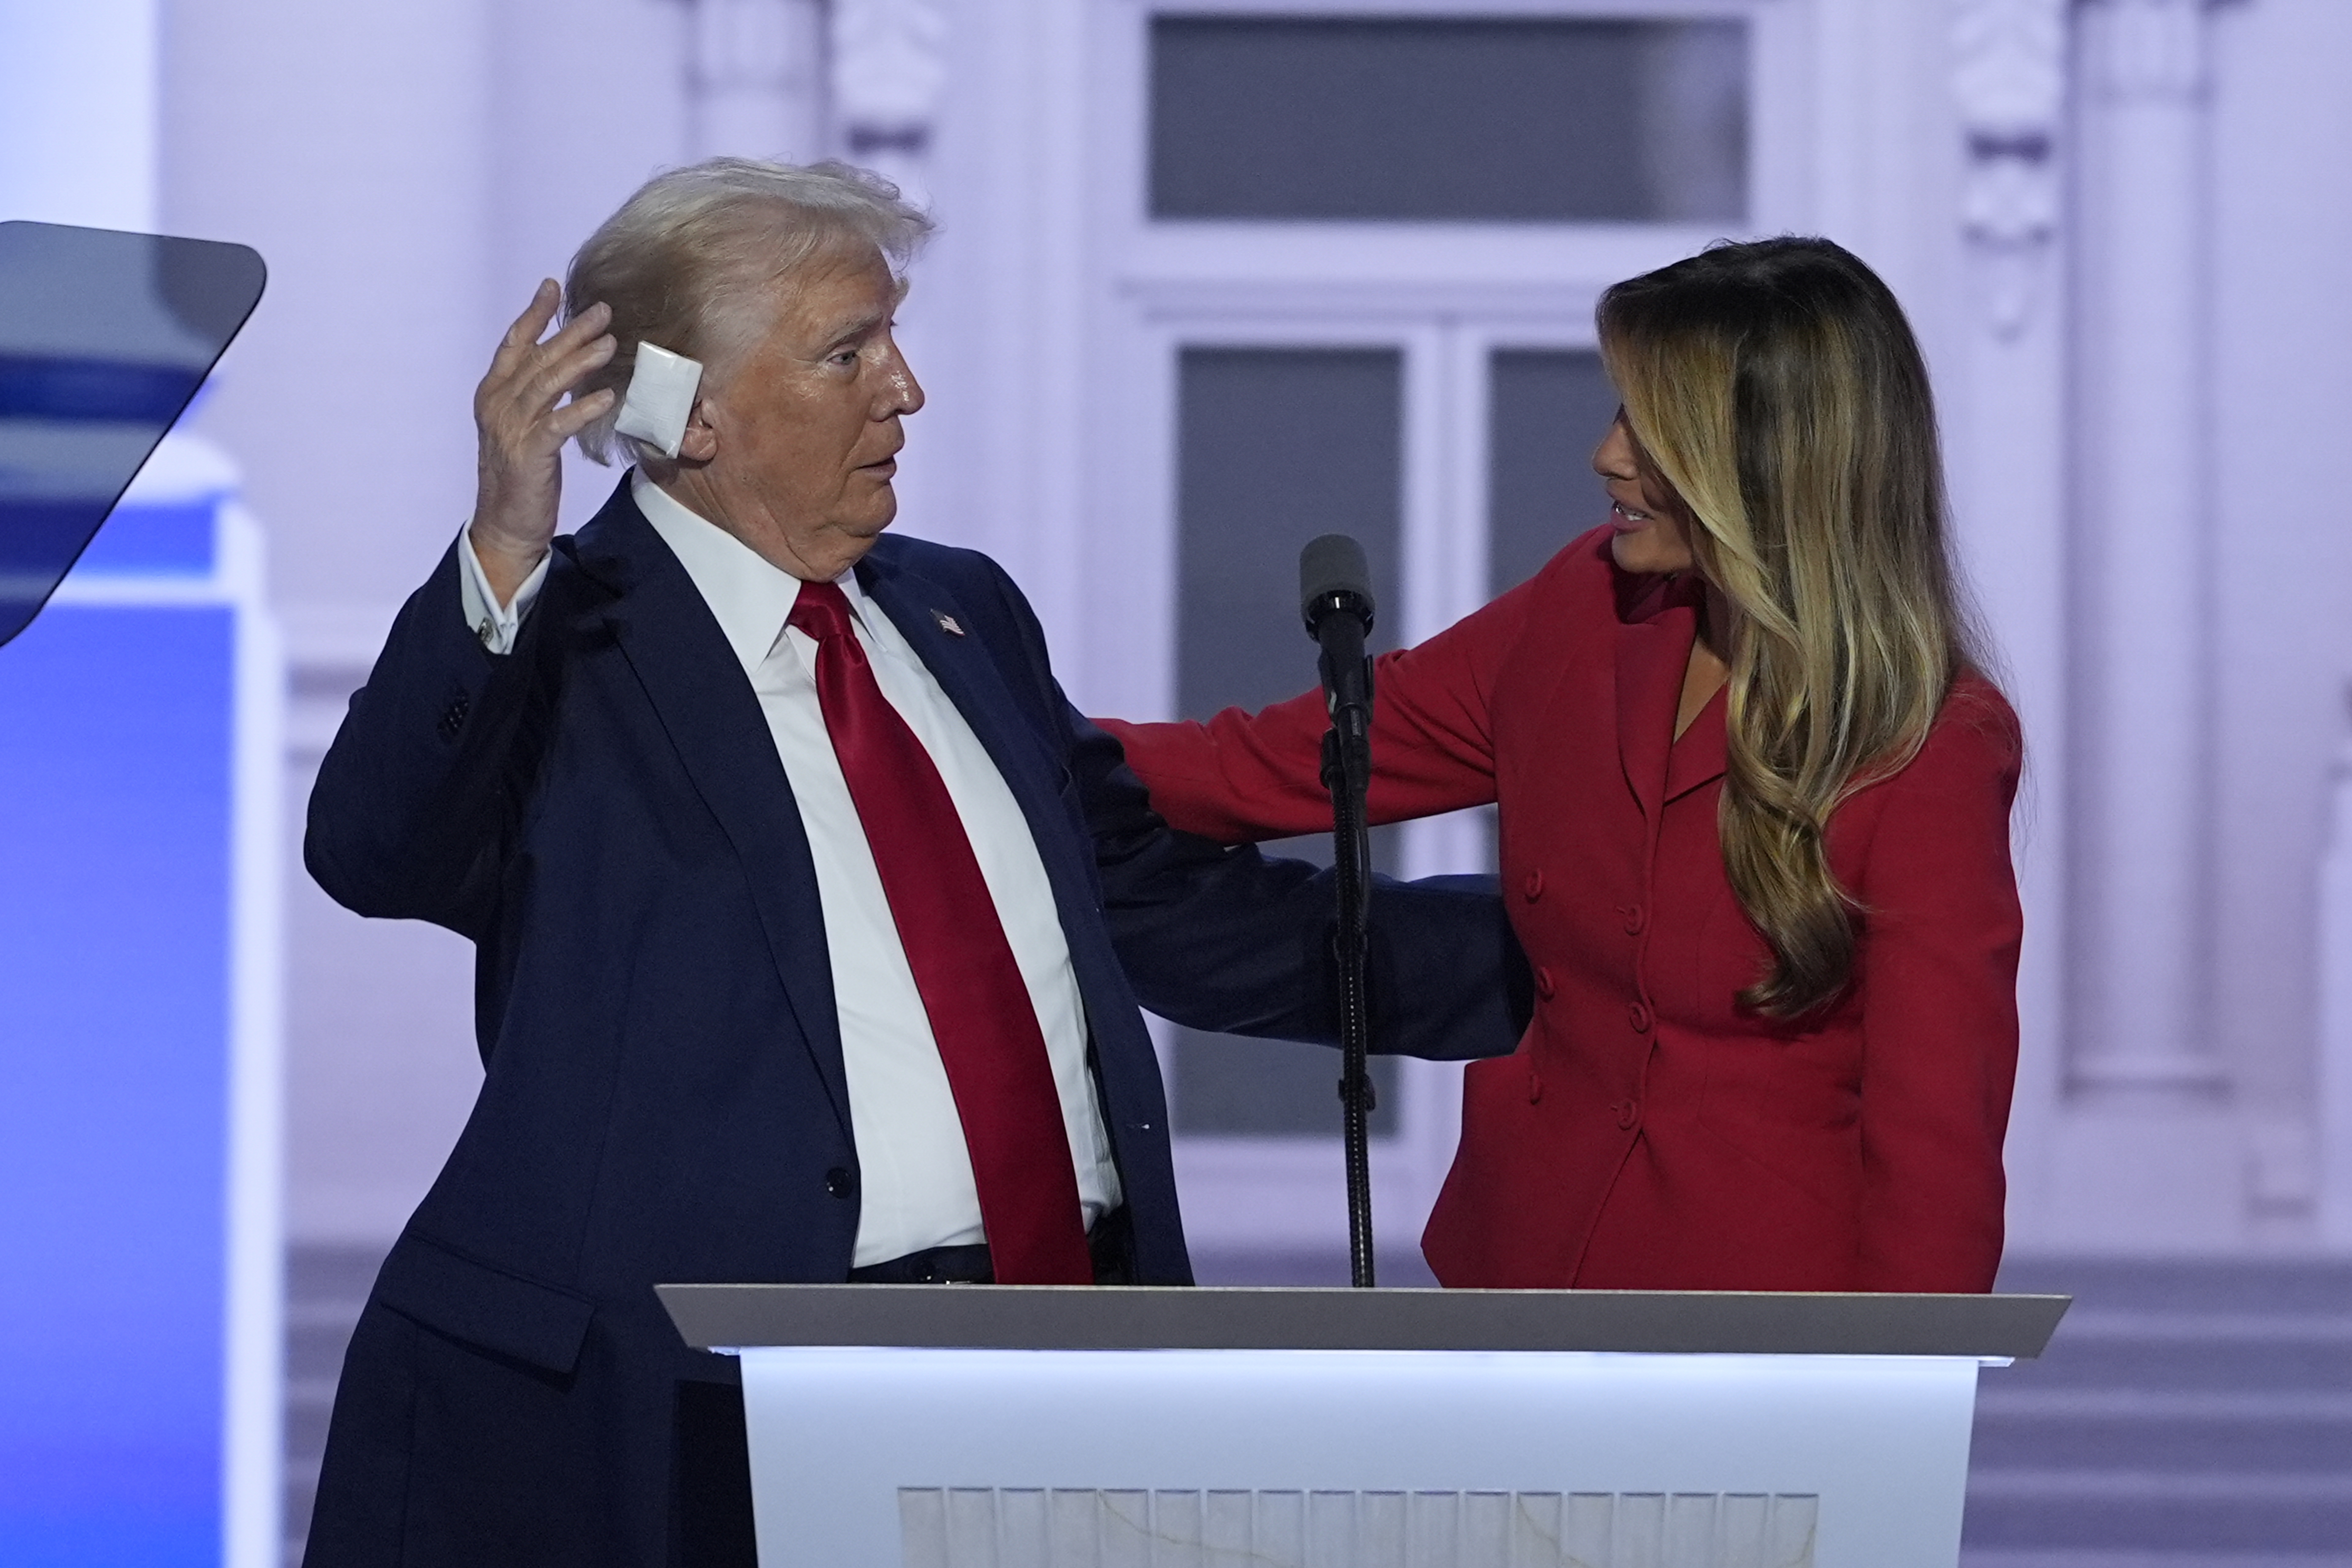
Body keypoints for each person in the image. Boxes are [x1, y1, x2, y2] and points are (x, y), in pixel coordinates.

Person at [299, 159, 1516, 1568]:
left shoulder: (960, 611)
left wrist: (1589, 957)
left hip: (1066, 1366)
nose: (906, 390)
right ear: (689, 413)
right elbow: (375, 848)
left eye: (893, 337)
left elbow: (1169, 910)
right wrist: (508, 545)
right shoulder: (564, 644)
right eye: (846, 352)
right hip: (710, 1406)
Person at [1103, 237, 2023, 1295]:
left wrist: (1895, 1401)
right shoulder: (1585, 609)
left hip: (1763, 1336)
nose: (1607, 456)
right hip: (1518, 1284)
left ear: (1770, 461)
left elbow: (1936, 1141)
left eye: (1649, 426)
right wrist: (983, 729)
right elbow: (1278, 765)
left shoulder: (1931, 744)